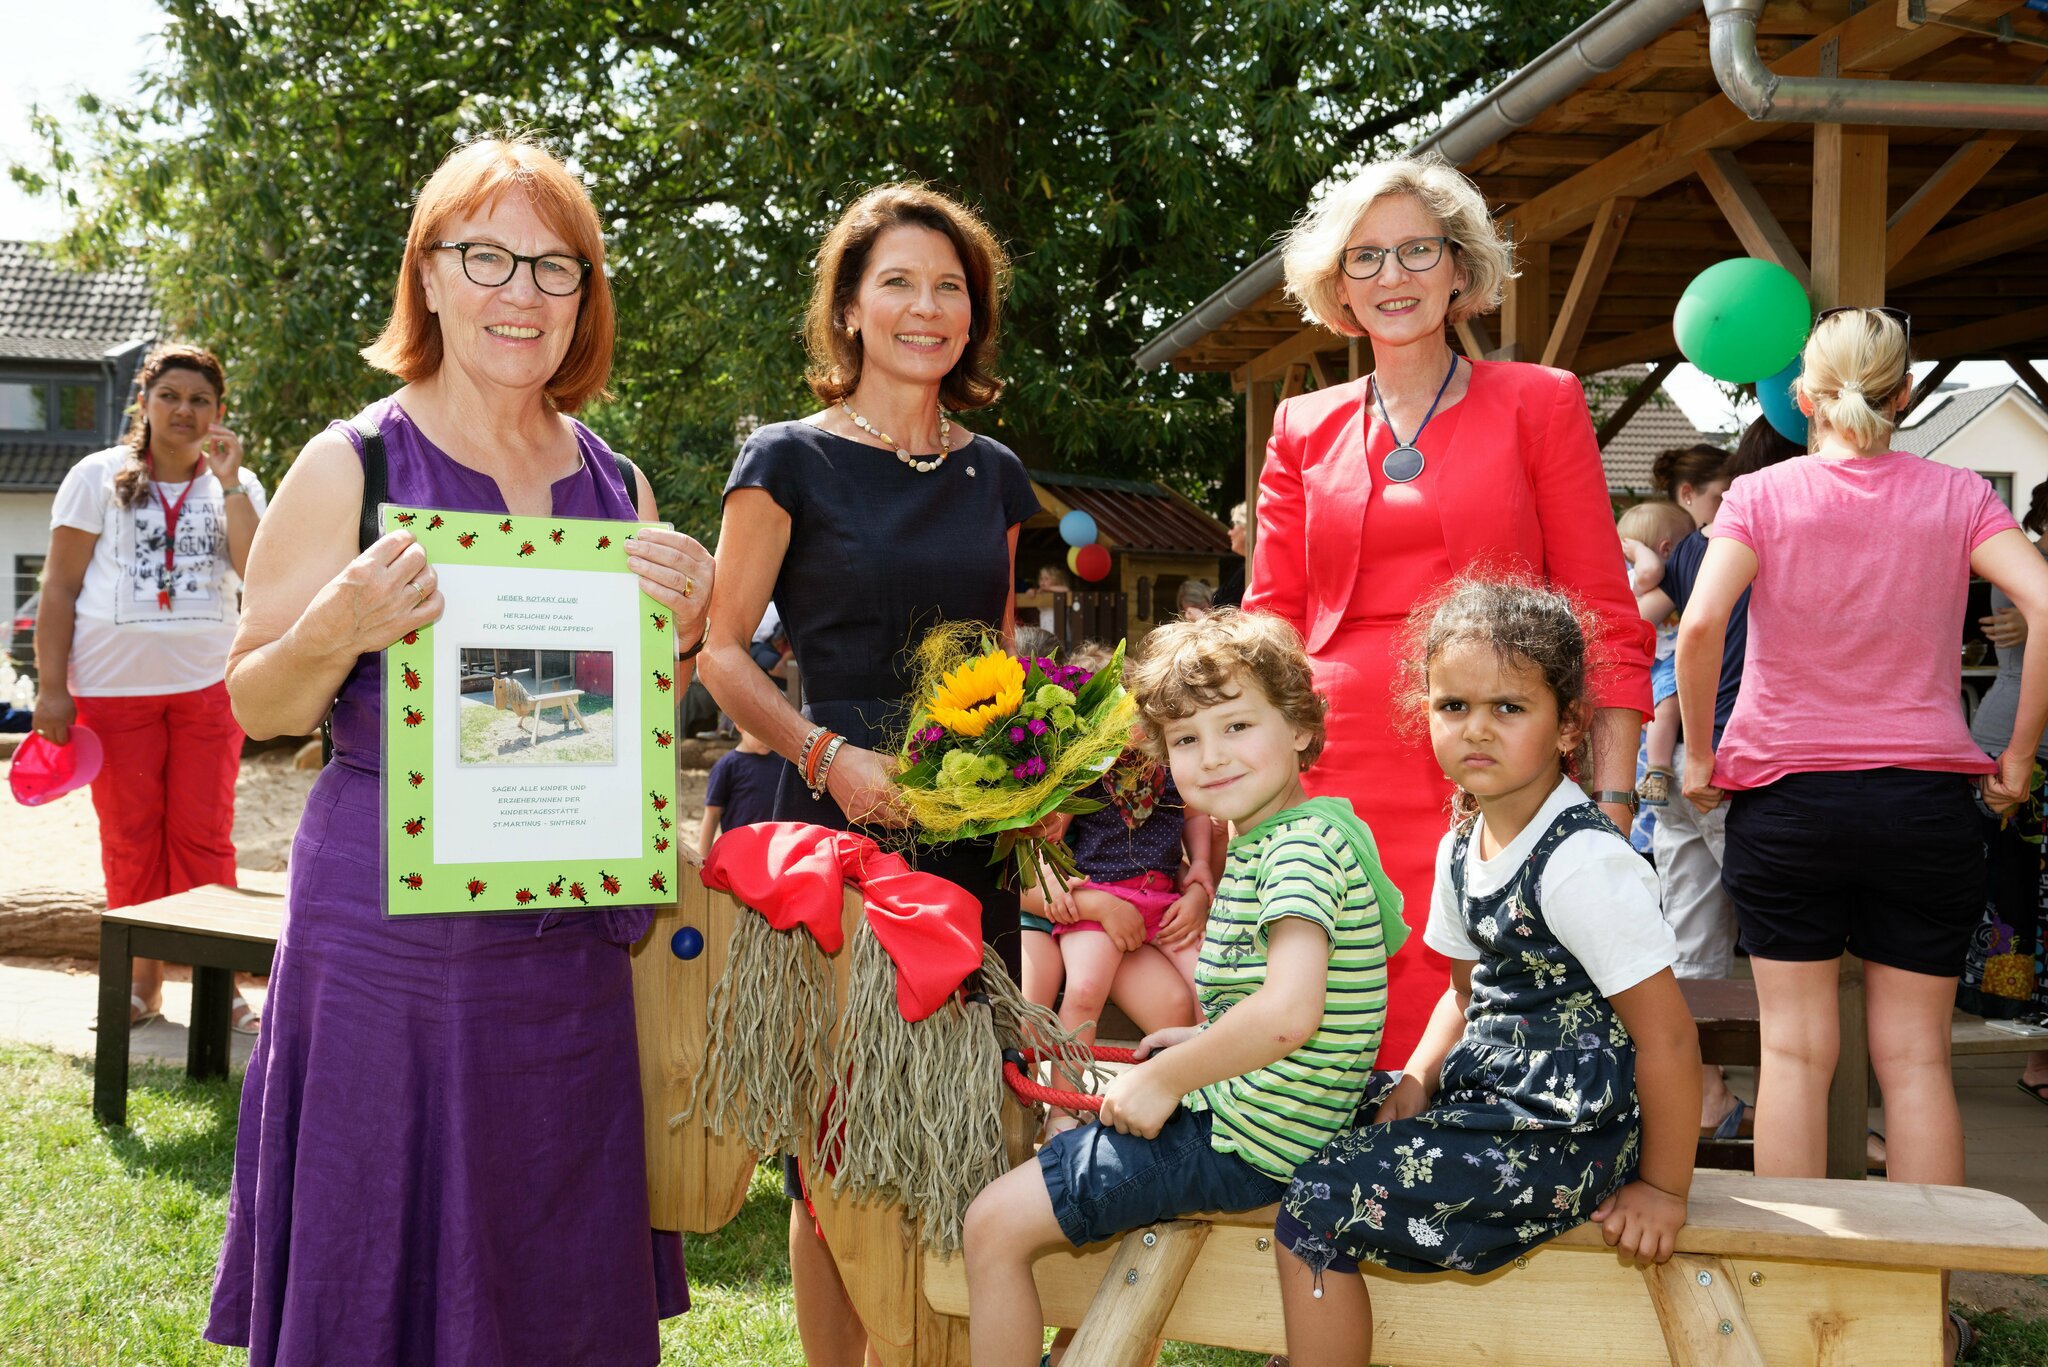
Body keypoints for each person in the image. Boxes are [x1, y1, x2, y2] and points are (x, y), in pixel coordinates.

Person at [206, 137, 703, 1365]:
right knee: (378, 1228)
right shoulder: (352, 461)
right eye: (487, 256)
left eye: (555, 266)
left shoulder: (616, 480)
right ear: (427, 277)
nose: (521, 292)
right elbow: (255, 703)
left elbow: (626, 724)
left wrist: (682, 635)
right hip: (384, 933)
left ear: (586, 296)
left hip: (562, 941)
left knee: (549, 1229)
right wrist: (339, 628)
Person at [696, 181, 1040, 1367]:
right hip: (829, 825)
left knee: (956, 1120)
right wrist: (825, 757)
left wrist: (1031, 780)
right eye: (895, 280)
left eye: (949, 286)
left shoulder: (993, 471)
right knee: (833, 1142)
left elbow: (991, 656)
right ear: (847, 308)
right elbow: (721, 649)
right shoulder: (784, 456)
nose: (924, 306)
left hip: (965, 829)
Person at [1676, 309, 2048, 1363]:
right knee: (1915, 1060)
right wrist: (2014, 752)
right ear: (1903, 397)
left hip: (1787, 800)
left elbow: (1697, 625)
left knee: (1793, 1053)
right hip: (1924, 801)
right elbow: (2042, 596)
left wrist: (1699, 753)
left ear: (1802, 396)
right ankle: (1918, 1307)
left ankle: (1800, 1296)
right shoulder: (1956, 492)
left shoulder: (1758, 491)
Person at [1247, 153, 1652, 1066]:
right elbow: (1267, 620)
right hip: (1326, 764)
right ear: (1337, 285)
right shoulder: (1300, 423)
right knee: (1329, 998)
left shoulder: (1539, 403)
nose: (1392, 276)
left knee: (1481, 1008)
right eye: (1366, 258)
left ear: (1461, 270)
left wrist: (1617, 799)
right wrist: (1241, 782)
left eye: (1417, 251)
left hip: (1490, 752)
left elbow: (1602, 614)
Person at [962, 608, 1405, 1367]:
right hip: (1275, 1118)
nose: (1213, 756)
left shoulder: (1295, 853)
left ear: (1300, 725)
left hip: (1252, 1142)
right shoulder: (1303, 831)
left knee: (992, 1224)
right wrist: (1200, 1041)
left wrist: (1167, 1076)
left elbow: (1291, 1011)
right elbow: (1318, 1002)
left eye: (1237, 726)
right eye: (1187, 739)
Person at [1274, 579, 1699, 1366]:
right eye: (1453, 706)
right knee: (1305, 1114)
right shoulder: (1461, 843)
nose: (1477, 729)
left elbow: (1669, 1039)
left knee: (1320, 1195)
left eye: (1509, 707)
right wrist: (1416, 1078)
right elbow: (1461, 994)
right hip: (1488, 1105)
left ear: (1568, 722)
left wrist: (1664, 1189)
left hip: (1572, 1134)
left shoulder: (1580, 863)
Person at [32, 344, 265, 1031]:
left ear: (219, 412)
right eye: (170, 396)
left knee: (203, 835)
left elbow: (261, 573)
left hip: (208, 688)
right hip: (110, 690)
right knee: (132, 838)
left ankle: (219, 987)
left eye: (200, 399)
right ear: (144, 403)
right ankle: (141, 986)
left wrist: (226, 484)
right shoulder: (96, 475)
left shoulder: (241, 484)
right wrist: (51, 687)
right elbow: (60, 586)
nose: (184, 410)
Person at [1632, 420, 1800, 1141]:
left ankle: (1701, 1100)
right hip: (1743, 754)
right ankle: (1800, 1113)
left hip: (1676, 764)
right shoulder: (1784, 533)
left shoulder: (1696, 547)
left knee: (1691, 939)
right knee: (1790, 948)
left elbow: (1645, 619)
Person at [1967, 476, 2048, 1103]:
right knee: (2016, 902)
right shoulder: (2024, 566)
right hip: (2020, 747)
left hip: (2011, 741)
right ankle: (2033, 1052)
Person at [1618, 497, 1705, 812]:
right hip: (1661, 659)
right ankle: (1658, 770)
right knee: (1666, 707)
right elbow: (1652, 569)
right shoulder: (1637, 578)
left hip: (1662, 657)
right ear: (1667, 549)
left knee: (1663, 710)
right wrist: (1642, 552)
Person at [697, 726, 787, 855]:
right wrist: (702, 860)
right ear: (739, 725)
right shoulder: (727, 766)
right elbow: (712, 814)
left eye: (771, 730)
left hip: (776, 851)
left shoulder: (783, 762)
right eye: (760, 732)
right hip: (739, 853)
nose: (767, 739)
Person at [1215, 501, 1248, 609]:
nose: (1230, 532)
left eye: (1234, 525)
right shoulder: (1244, 570)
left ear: (1247, 528)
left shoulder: (1251, 572)